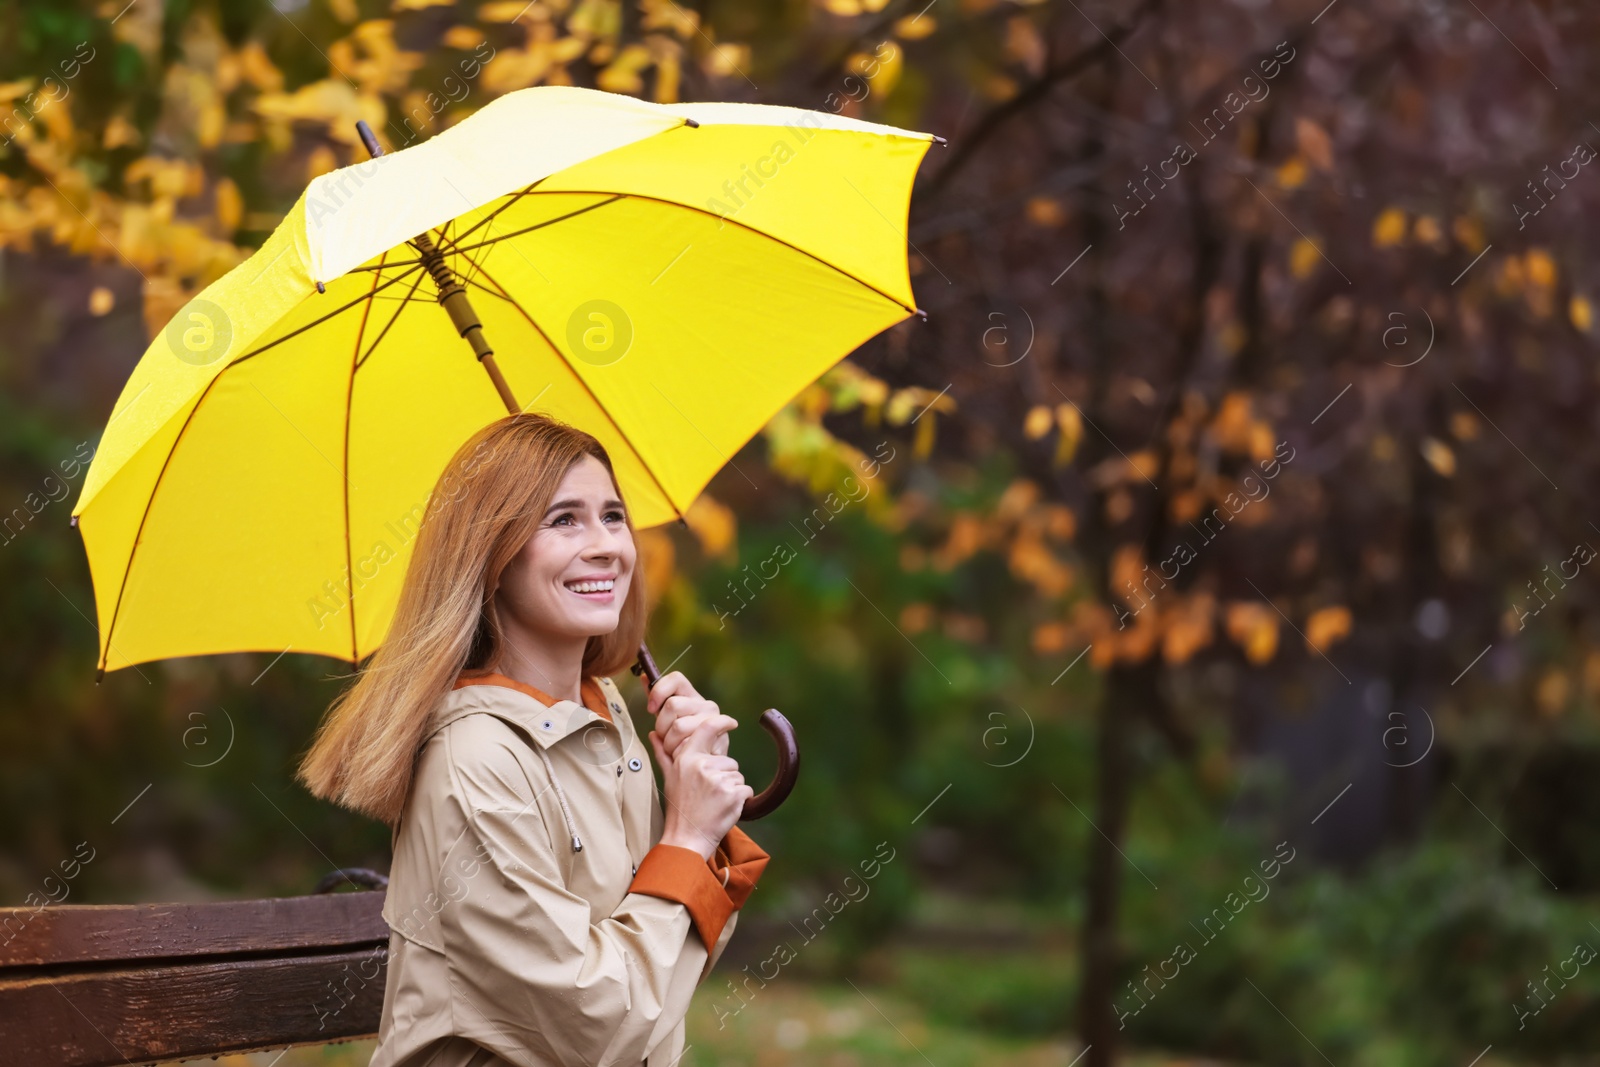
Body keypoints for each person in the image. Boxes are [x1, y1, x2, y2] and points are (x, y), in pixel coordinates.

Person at [297, 412, 770, 1067]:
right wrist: (686, 839)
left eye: (612, 514)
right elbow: (596, 1027)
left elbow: (669, 976)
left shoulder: (608, 723)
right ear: (491, 557)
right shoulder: (474, 762)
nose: (607, 543)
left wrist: (697, 806)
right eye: (563, 519)